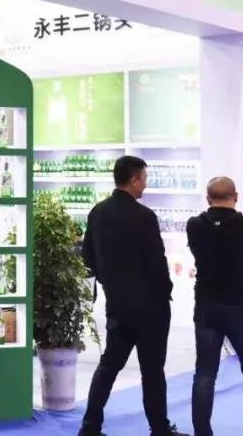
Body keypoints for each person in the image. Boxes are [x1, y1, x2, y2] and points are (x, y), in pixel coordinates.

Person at [80, 156, 185, 436]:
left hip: (117, 303)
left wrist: (109, 282)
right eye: (144, 178)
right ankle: (159, 428)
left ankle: (90, 426)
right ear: (134, 179)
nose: (145, 184)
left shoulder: (97, 212)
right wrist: (165, 292)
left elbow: (87, 258)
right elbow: (157, 262)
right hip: (150, 306)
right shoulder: (144, 216)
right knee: (152, 371)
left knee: (108, 366)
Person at [185, 177, 243, 436]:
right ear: (236, 196)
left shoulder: (194, 226)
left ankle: (202, 432)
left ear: (208, 198)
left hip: (206, 306)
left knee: (205, 374)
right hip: (239, 305)